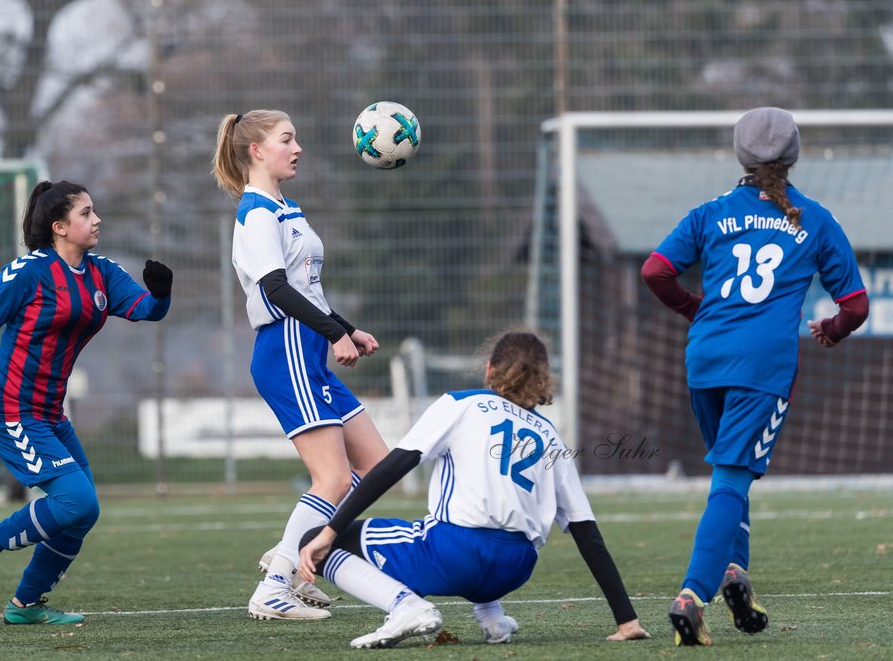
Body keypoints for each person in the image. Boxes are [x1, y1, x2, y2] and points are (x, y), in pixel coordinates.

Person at [642, 107, 867, 647]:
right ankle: (693, 595)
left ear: (740, 156)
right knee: (732, 478)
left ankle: (733, 571)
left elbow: (655, 270)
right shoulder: (813, 217)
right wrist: (832, 330)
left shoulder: (710, 213)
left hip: (706, 359)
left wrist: (694, 307)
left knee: (729, 471)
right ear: (793, 157)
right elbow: (856, 306)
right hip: (762, 367)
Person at [0, 179, 172, 625]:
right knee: (78, 502)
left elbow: (145, 310)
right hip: (11, 410)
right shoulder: (29, 272)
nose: (97, 220)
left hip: (50, 415)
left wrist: (161, 292)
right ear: (59, 226)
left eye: (95, 212)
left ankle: (26, 605)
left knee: (79, 512)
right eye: (86, 213)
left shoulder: (102, 273)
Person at [298, 331, 651, 649]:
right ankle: (493, 618)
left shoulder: (462, 404)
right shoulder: (550, 435)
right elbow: (587, 533)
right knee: (484, 531)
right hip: (515, 568)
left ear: (489, 370)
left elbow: (393, 466)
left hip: (455, 553)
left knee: (315, 542)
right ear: (543, 379)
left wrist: (330, 530)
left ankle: (406, 607)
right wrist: (627, 619)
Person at [212, 109, 389, 620]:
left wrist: (346, 326)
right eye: (287, 139)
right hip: (286, 348)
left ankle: (294, 551)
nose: (298, 148)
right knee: (330, 478)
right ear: (257, 152)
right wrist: (334, 333)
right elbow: (275, 288)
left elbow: (305, 288)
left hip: (307, 344)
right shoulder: (257, 212)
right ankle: (274, 586)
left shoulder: (284, 206)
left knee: (376, 465)